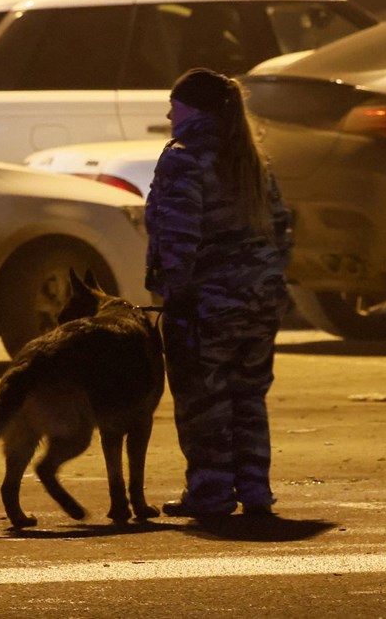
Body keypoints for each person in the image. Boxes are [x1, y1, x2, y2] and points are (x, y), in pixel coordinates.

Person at [144, 67, 291, 518]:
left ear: (194, 110)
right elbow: (282, 229)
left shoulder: (184, 158)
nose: (169, 116)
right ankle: (255, 489)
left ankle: (211, 492)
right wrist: (266, 280)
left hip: (207, 301)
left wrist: (177, 291)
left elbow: (178, 234)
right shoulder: (251, 157)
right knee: (248, 394)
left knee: (203, 398)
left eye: (174, 107)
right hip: (261, 299)